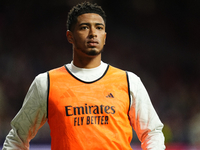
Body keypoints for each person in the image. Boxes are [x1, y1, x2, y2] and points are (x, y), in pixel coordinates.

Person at [2, 2, 165, 150]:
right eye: (84, 27)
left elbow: (152, 132)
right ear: (70, 36)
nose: (93, 33)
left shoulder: (130, 81)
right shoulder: (46, 83)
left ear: (105, 37)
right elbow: (17, 139)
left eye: (99, 27)